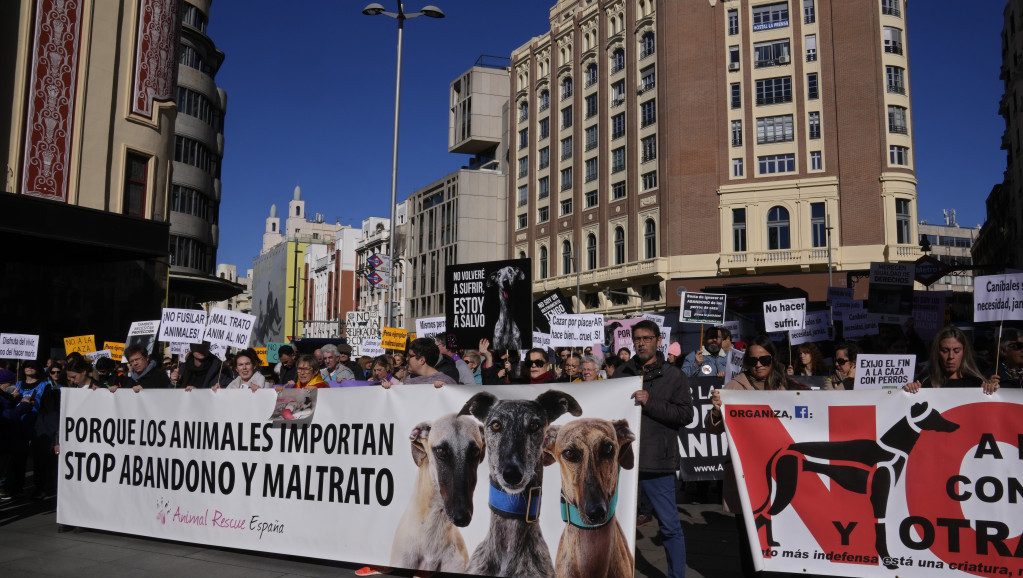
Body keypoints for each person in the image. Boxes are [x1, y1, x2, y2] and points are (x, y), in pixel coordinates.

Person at [706, 334, 802, 577]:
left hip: (780, 472)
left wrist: (905, 393)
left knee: (781, 530)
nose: (758, 365)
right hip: (746, 475)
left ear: (773, 360)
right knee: (749, 536)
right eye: (752, 361)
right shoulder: (733, 388)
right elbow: (713, 428)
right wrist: (717, 411)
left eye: (764, 359)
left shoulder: (788, 386)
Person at [620, 320, 693, 578]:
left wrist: (650, 402)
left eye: (647, 338)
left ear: (658, 341)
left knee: (670, 526)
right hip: (624, 462)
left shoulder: (674, 376)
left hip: (657, 462)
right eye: (637, 338)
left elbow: (685, 415)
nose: (641, 343)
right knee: (616, 525)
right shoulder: (622, 373)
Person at [905, 326, 998, 394]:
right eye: (945, 351)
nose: (951, 356)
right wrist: (910, 390)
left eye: (956, 351)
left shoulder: (976, 383)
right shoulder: (925, 382)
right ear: (937, 352)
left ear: (964, 352)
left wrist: (990, 390)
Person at [383, 337, 456, 388]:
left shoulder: (446, 381)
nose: (407, 359)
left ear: (421, 360)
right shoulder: (409, 378)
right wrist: (392, 389)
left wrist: (445, 390)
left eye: (410, 356)